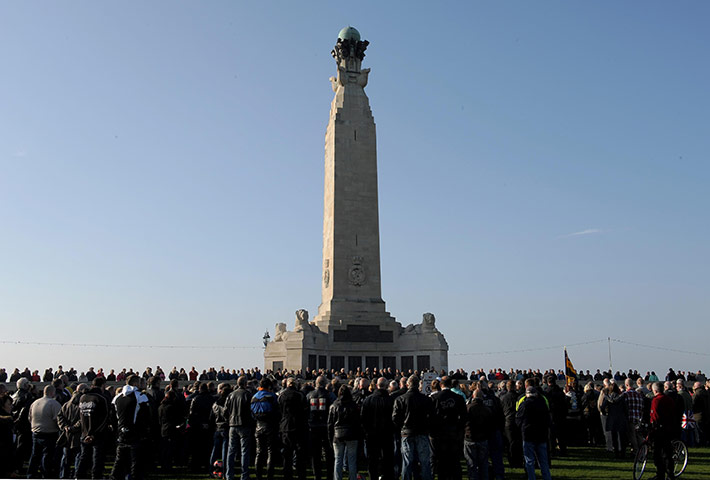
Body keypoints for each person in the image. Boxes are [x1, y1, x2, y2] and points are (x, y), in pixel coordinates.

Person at [392, 375, 434, 480]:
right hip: (422, 432)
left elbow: (395, 417)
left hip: (407, 432)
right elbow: (432, 416)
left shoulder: (400, 399)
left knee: (407, 461)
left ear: (407, 385)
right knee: (424, 461)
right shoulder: (425, 399)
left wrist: (402, 426)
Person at [110, 375, 151, 480]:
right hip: (135, 433)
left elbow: (112, 417)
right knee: (136, 462)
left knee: (119, 461)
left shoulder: (117, 397)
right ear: (135, 383)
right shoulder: (140, 396)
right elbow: (145, 416)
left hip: (121, 433)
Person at [429, 376, 466, 480]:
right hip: (453, 432)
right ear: (450, 385)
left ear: (441, 385)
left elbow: (430, 416)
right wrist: (459, 429)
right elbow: (464, 416)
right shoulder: (458, 398)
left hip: (438, 433)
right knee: (454, 459)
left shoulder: (434, 398)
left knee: (441, 460)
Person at [361, 377, 395, 480]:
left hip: (372, 435)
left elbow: (363, 418)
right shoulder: (391, 400)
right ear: (387, 387)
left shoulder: (368, 400)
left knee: (373, 460)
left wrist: (366, 431)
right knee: (387, 459)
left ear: (376, 386)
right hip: (387, 435)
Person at [77, 377, 111, 479]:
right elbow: (105, 417)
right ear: (103, 385)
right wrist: (93, 434)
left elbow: (81, 416)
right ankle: (96, 476)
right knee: (97, 458)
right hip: (98, 434)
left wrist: (86, 433)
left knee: (84, 457)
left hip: (84, 432)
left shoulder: (83, 398)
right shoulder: (101, 398)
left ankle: (79, 475)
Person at [516, 386, 551, 480]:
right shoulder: (542, 404)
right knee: (543, 461)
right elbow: (548, 419)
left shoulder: (524, 404)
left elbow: (518, 419)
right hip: (541, 434)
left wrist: (521, 428)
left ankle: (531, 478)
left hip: (528, 434)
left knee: (529, 461)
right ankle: (547, 477)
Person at [27, 384, 62, 479]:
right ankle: (46, 475)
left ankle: (31, 474)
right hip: (49, 433)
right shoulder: (54, 404)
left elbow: (30, 418)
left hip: (35, 432)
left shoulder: (35, 403)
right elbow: (58, 419)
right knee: (47, 456)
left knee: (35, 455)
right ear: (52, 392)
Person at [225, 375, 255, 480]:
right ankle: (244, 475)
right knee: (244, 451)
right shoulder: (248, 395)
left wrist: (228, 419)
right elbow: (252, 411)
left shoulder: (231, 395)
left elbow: (225, 411)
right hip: (244, 424)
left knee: (231, 451)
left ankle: (229, 475)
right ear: (246, 384)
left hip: (232, 424)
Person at [328, 385, 360, 480]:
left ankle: (338, 478)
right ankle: (352, 478)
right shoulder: (353, 405)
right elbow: (357, 422)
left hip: (337, 435)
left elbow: (330, 424)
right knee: (351, 460)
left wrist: (330, 437)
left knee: (338, 460)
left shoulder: (334, 405)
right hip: (351, 434)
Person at [279, 377, 309, 480]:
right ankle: (301, 475)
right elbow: (305, 411)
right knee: (300, 454)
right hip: (299, 426)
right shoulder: (300, 395)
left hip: (285, 427)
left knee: (287, 455)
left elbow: (279, 411)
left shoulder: (281, 395)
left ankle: (287, 475)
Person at [251, 377, 280, 480]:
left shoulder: (254, 397)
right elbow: (277, 410)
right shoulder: (272, 396)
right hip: (270, 425)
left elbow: (252, 414)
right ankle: (269, 475)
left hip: (258, 425)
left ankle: (258, 475)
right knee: (270, 452)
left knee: (259, 452)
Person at [307, 375, 335, 480]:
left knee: (316, 453)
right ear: (325, 384)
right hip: (326, 427)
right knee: (328, 452)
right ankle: (329, 475)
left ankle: (317, 475)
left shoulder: (309, 395)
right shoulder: (330, 395)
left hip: (313, 427)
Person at [57, 383, 87, 479]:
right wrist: (74, 427)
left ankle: (63, 476)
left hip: (67, 434)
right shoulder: (83, 404)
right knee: (79, 457)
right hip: (78, 434)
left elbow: (59, 416)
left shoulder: (67, 404)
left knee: (66, 458)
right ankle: (77, 476)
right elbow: (82, 419)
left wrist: (64, 426)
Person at [464, 388, 494, 480]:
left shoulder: (468, 408)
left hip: (470, 437)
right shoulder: (487, 410)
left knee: (471, 464)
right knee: (483, 464)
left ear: (473, 396)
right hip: (483, 438)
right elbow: (490, 424)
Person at [187, 382, 215, 472]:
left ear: (199, 389)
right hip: (209, 426)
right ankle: (208, 465)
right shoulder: (212, 399)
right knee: (208, 448)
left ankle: (196, 466)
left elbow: (191, 415)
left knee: (196, 448)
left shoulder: (195, 399)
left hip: (197, 427)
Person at [650, 382, 676, 479]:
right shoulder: (669, 399)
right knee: (668, 453)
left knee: (658, 453)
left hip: (659, 429)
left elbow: (655, 416)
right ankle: (670, 473)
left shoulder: (656, 400)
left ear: (655, 390)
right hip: (669, 428)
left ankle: (660, 473)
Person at [210, 383, 232, 477]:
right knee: (225, 451)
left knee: (215, 450)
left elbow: (211, 417)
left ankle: (211, 469)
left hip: (217, 428)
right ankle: (224, 471)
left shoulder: (215, 404)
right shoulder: (227, 404)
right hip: (225, 428)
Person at [600, 382, 628, 458]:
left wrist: (605, 413)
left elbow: (602, 407)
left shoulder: (607, 398)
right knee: (622, 437)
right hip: (621, 418)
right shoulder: (622, 398)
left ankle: (616, 453)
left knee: (614, 437)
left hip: (612, 418)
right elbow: (626, 408)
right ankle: (622, 453)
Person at [0, 392, 16, 478]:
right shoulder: (6, 422)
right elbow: (8, 444)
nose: (11, 406)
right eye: (9, 404)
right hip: (4, 456)